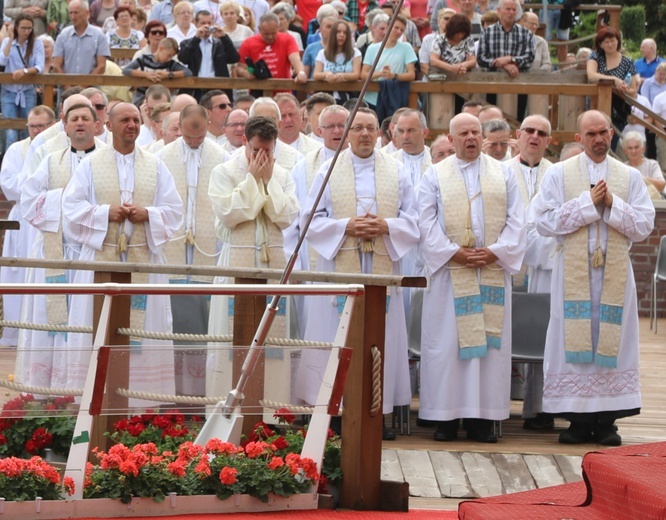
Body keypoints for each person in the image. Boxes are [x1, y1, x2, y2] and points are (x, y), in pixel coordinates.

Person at [533, 110, 655, 446]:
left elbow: (644, 226)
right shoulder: (558, 174)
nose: (599, 139)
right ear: (579, 138)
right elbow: (543, 221)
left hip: (614, 272)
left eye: (604, 132)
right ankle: (577, 420)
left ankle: (607, 423)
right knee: (570, 337)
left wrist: (613, 202)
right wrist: (588, 202)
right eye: (591, 134)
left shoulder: (628, 177)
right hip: (573, 271)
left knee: (611, 338)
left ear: (612, 133)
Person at [298, 107, 419, 440]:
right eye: (357, 128)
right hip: (340, 268)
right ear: (347, 134)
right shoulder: (328, 169)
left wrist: (387, 225)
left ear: (380, 135)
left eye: (370, 128)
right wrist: (345, 226)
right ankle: (334, 415)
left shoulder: (397, 171)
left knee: (381, 340)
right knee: (334, 339)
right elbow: (309, 219)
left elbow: (414, 220)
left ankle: (376, 414)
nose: (364, 134)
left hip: (381, 268)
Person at [61, 102, 183, 398]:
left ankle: (143, 403)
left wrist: (149, 214)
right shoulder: (90, 164)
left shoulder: (155, 164)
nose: (132, 125)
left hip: (143, 259)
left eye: (136, 120)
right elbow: (71, 206)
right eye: (125, 120)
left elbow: (175, 210)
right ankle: (90, 397)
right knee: (96, 326)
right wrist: (105, 213)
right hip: (101, 259)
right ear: (109, 126)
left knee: (146, 330)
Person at [417, 112, 525, 443]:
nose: (471, 139)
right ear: (450, 139)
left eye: (475, 132)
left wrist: (496, 251)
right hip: (451, 273)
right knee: (447, 347)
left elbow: (518, 220)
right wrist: (453, 252)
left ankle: (482, 420)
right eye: (463, 133)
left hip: (490, 270)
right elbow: (425, 222)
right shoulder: (434, 175)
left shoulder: (504, 173)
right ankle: (445, 419)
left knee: (488, 351)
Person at [17, 103, 101, 388]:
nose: (79, 123)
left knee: (87, 316)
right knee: (50, 319)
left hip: (94, 253)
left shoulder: (108, 159)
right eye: (74, 118)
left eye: (85, 118)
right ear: (65, 126)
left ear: (97, 124)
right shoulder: (50, 160)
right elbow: (28, 200)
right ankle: (49, 387)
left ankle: (84, 383)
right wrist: (64, 197)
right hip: (58, 249)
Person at [158, 105, 227, 396]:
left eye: (200, 137)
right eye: (188, 137)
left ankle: (201, 390)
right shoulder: (161, 158)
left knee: (204, 316)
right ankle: (173, 390)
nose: (195, 142)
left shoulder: (222, 158)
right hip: (174, 246)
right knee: (173, 315)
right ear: (180, 127)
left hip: (208, 247)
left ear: (208, 124)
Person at [0, 104, 55, 348]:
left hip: (47, 217)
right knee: (17, 274)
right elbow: (9, 186)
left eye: (40, 126)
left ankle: (40, 334)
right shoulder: (16, 149)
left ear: (52, 126)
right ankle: (13, 334)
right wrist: (34, 181)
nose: (35, 130)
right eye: (32, 126)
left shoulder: (55, 149)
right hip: (23, 217)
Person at [0, 13, 45, 149]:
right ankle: (9, 164)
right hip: (9, 90)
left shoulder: (37, 43)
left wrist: (24, 72)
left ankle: (29, 161)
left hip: (27, 90)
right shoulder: (8, 42)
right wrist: (10, 40)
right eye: (23, 28)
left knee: (29, 128)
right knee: (10, 131)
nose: (26, 31)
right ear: (17, 28)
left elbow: (40, 66)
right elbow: (2, 60)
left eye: (29, 28)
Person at [587, 27, 638, 140]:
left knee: (612, 142)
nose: (610, 44)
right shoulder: (595, 56)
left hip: (618, 110)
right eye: (607, 42)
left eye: (613, 41)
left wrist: (625, 90)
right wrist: (614, 80)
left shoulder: (628, 62)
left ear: (618, 42)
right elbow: (591, 75)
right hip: (596, 105)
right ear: (601, 44)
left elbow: (633, 92)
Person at [177, 10, 240, 101]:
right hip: (195, 88)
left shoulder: (220, 44)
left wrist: (224, 37)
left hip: (217, 88)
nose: (206, 26)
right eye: (203, 23)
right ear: (195, 23)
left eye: (209, 23)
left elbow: (234, 58)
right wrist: (196, 38)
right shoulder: (187, 43)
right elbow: (184, 58)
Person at [360, 15, 417, 111]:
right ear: (388, 27)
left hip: (394, 97)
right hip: (373, 98)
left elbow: (411, 74)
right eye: (396, 28)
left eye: (402, 30)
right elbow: (363, 74)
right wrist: (381, 74)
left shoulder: (406, 47)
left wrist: (393, 75)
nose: (398, 32)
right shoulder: (372, 48)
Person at [236, 12, 307, 82]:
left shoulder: (288, 39)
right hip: (258, 90)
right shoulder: (248, 43)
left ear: (278, 28)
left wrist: (301, 72)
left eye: (273, 33)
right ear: (259, 29)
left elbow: (296, 60)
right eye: (266, 34)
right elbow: (240, 67)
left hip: (283, 89)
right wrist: (246, 74)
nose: (270, 37)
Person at [123, 37, 191, 106]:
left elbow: (188, 72)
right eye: (169, 55)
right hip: (142, 97)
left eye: (172, 56)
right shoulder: (144, 59)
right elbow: (126, 70)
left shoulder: (171, 64)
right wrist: (146, 75)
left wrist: (168, 75)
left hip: (162, 100)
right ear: (161, 49)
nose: (169, 59)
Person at [476, 0, 534, 78]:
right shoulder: (487, 32)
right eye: (508, 9)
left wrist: (511, 59)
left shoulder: (526, 33)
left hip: (518, 80)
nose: (511, 12)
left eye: (514, 10)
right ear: (499, 10)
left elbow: (529, 58)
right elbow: (481, 59)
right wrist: (503, 65)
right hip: (492, 80)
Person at [53, 0, 110, 76]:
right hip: (65, 86)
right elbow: (56, 66)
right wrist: (67, 86)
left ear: (87, 13)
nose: (73, 17)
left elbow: (101, 66)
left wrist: (84, 86)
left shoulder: (99, 35)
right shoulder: (63, 35)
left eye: (76, 13)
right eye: (71, 13)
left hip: (91, 86)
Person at [429, 12, 475, 77]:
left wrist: (461, 66)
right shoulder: (439, 39)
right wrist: (451, 68)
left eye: (463, 33)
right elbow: (433, 60)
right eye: (458, 33)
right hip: (442, 76)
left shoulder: (468, 40)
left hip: (463, 76)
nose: (460, 36)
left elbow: (472, 60)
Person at [622, 131, 665, 199]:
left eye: (636, 147)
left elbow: (661, 185)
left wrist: (641, 178)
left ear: (643, 149)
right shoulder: (622, 168)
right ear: (625, 151)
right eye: (630, 148)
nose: (633, 151)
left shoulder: (652, 164)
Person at [419, 7, 454, 77]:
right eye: (446, 18)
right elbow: (424, 66)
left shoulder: (459, 40)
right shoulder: (428, 39)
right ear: (438, 21)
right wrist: (437, 78)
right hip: (431, 81)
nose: (449, 22)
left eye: (452, 20)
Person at [303, 14, 337, 79]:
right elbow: (304, 75)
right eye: (328, 27)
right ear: (320, 29)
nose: (331, 30)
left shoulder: (342, 49)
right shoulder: (310, 48)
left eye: (334, 28)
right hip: (315, 88)